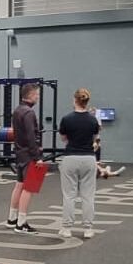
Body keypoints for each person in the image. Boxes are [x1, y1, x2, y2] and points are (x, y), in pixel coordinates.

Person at [56, 88, 101, 240]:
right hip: (89, 158)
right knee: (88, 195)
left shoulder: (66, 119)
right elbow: (95, 138)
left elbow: (63, 139)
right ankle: (88, 229)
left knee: (69, 195)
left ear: (75, 100)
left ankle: (67, 228)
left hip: (70, 158)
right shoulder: (93, 120)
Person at [5, 84, 44, 232]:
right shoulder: (29, 113)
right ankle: (21, 223)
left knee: (19, 185)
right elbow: (31, 136)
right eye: (37, 95)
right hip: (29, 155)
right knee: (29, 188)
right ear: (31, 95)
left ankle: (12, 218)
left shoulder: (17, 111)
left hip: (20, 153)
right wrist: (38, 157)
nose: (38, 97)